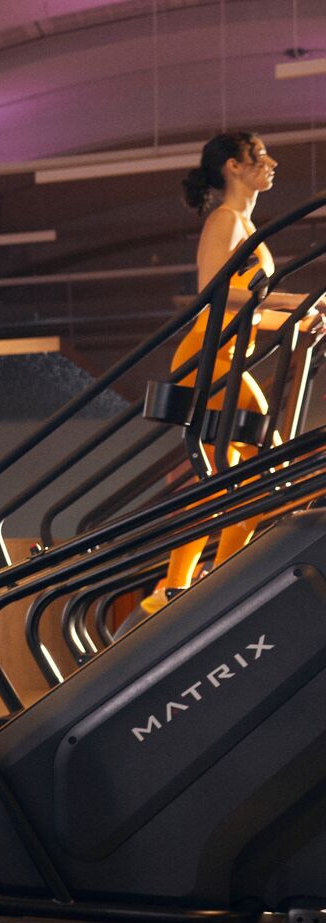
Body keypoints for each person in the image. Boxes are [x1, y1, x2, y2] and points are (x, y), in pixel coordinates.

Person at [149, 132, 322, 613]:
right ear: (232, 167)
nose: (272, 163)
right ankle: (192, 584)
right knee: (260, 471)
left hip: (226, 355)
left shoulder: (246, 224)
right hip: (208, 357)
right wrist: (297, 303)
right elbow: (215, 294)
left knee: (247, 477)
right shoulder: (224, 220)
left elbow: (245, 311)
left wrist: (301, 316)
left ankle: (195, 581)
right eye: (260, 156)